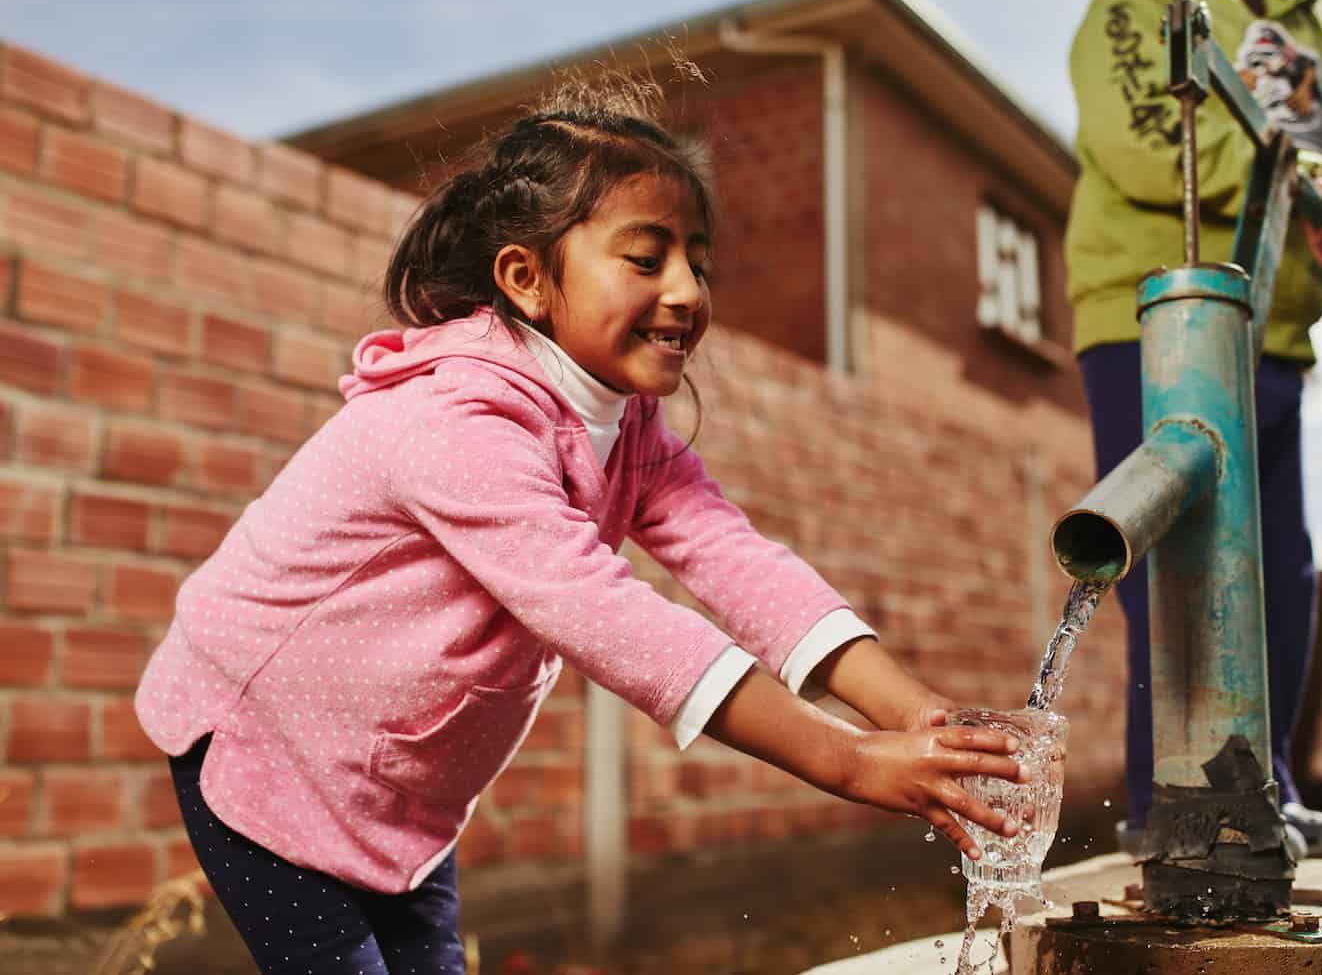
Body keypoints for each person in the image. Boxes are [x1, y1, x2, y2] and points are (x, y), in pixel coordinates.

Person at [134, 95, 1030, 975]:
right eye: (645, 258)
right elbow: (610, 616)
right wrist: (847, 761)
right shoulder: (457, 421)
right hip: (261, 745)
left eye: (698, 262)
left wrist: (918, 718)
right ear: (527, 277)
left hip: (397, 789)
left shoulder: (627, 426)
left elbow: (734, 559)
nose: (686, 290)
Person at [1065, 0, 1322, 858]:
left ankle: (1260, 788)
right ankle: (1168, 795)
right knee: (1180, 561)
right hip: (1153, 315)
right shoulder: (1129, 4)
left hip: (1269, 319)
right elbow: (1141, 136)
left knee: (1279, 565)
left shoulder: (1313, 20)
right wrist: (1295, 178)